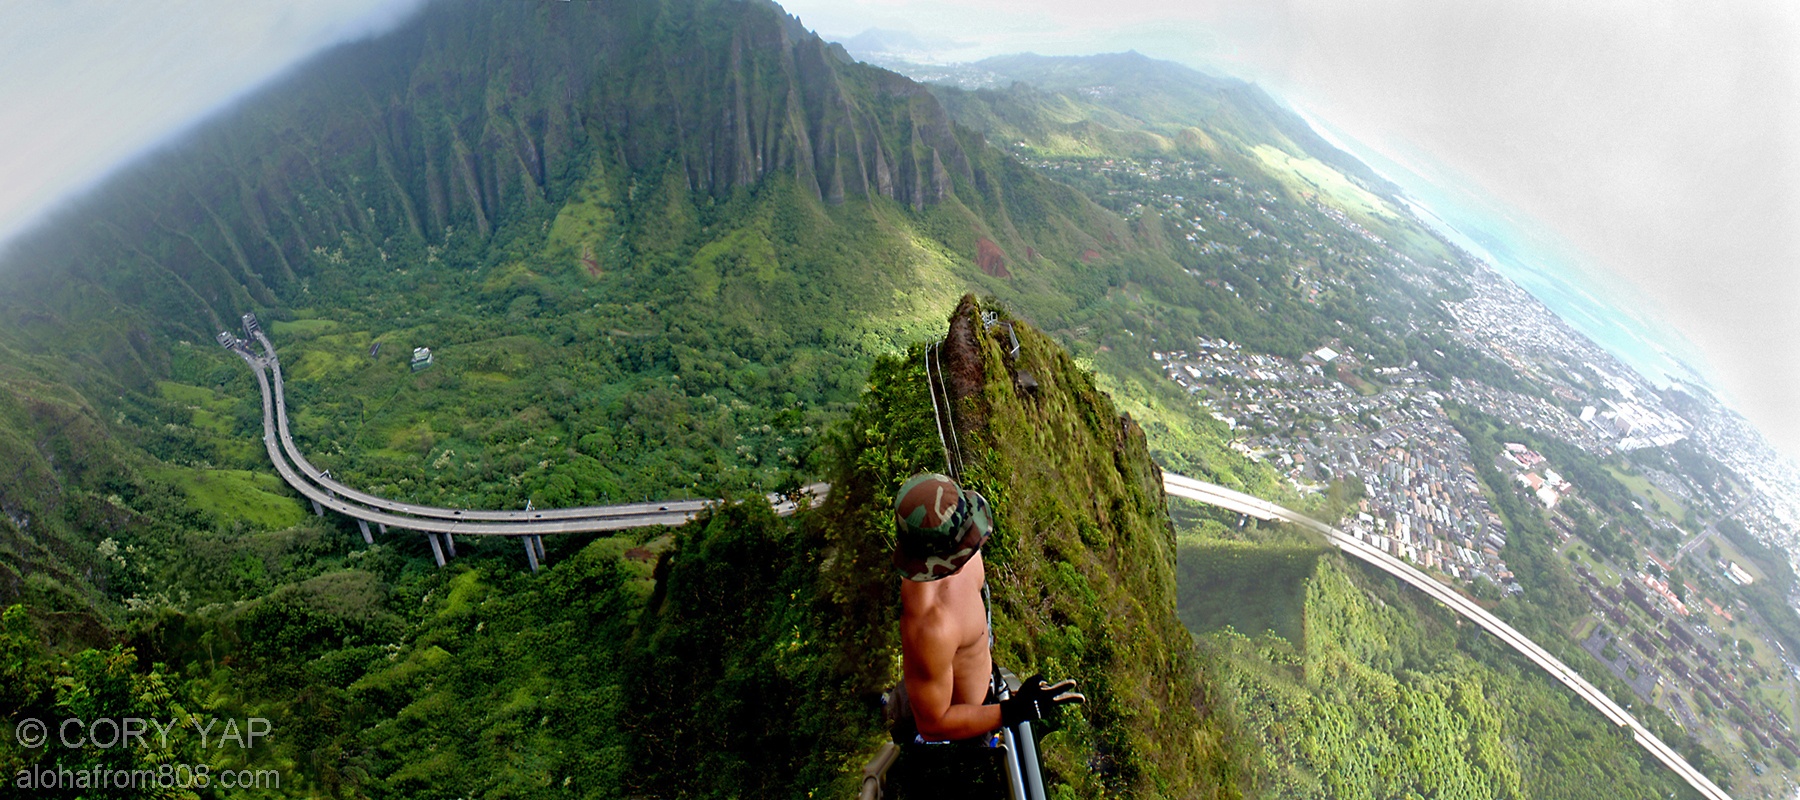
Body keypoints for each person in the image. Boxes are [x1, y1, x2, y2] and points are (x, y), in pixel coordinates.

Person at [892, 473, 1084, 743]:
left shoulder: (963, 550)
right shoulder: (930, 627)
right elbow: (933, 724)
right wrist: (1014, 712)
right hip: (962, 734)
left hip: (986, 688)